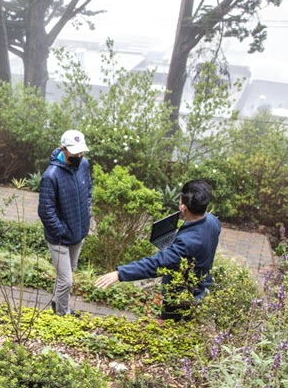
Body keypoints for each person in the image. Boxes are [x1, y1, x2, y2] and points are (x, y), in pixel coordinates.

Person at [94, 179, 221, 320]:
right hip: (200, 287)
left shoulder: (187, 243)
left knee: (172, 330)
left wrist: (120, 274)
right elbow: (195, 240)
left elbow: (156, 263)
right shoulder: (212, 221)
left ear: (183, 208)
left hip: (182, 299)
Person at [38, 129, 93, 315]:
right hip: (60, 238)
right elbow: (46, 211)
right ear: (63, 149)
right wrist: (61, 231)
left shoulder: (83, 164)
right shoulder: (51, 175)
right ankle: (63, 315)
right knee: (66, 280)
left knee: (68, 272)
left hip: (79, 232)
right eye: (74, 151)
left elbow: (88, 190)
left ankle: (56, 301)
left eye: (81, 151)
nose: (79, 155)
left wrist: (86, 215)